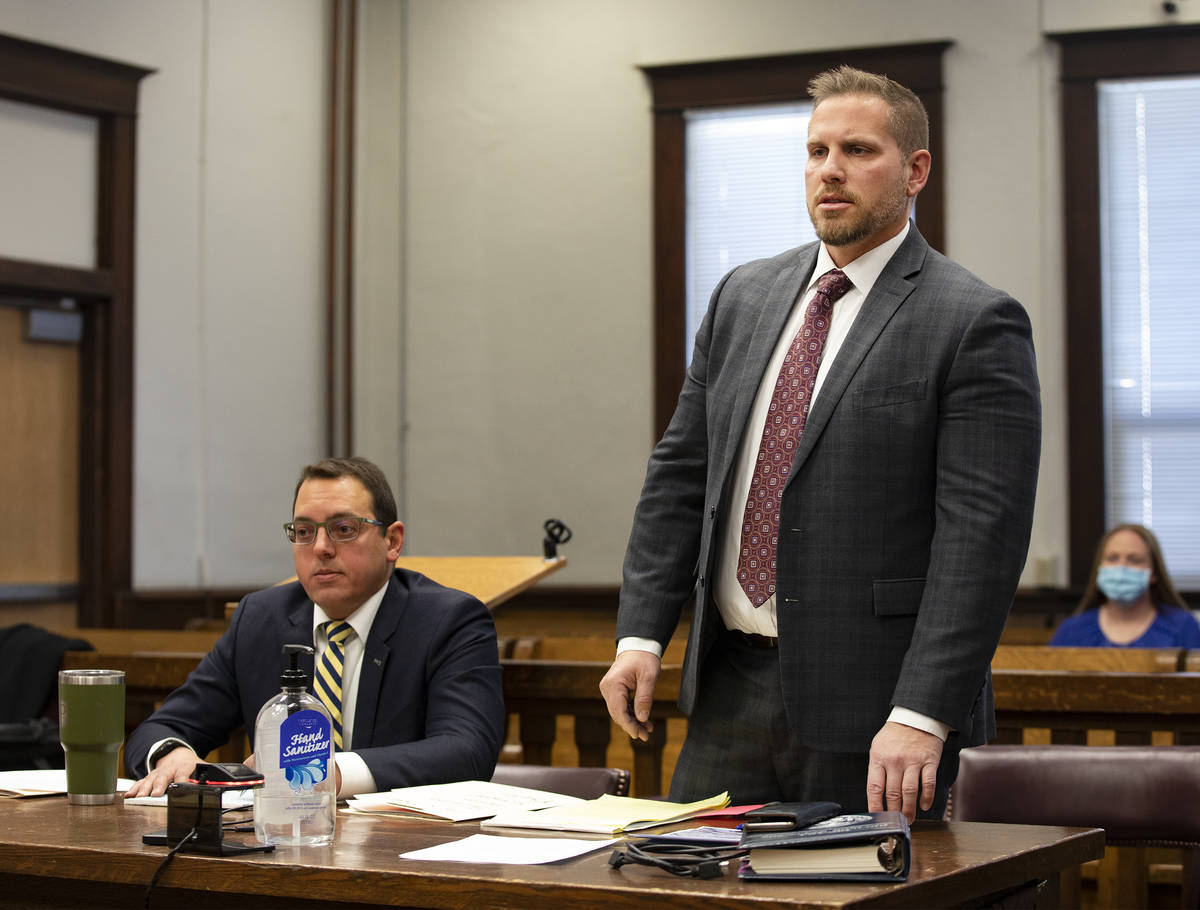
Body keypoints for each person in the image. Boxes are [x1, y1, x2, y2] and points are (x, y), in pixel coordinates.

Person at [599, 65, 1041, 822]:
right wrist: (641, 633)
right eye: (816, 151)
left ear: (915, 170)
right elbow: (681, 475)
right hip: (729, 685)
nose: (830, 170)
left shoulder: (973, 320)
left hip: (880, 710)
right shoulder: (743, 296)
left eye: (859, 150)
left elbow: (981, 541)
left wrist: (923, 712)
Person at [124, 456, 505, 799]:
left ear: (392, 541)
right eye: (304, 532)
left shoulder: (449, 620)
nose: (320, 547)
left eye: (343, 529)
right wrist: (171, 752)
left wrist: (327, 772)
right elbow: (163, 726)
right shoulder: (260, 618)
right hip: (276, 845)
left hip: (401, 848)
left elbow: (466, 750)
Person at [1050, 524, 1200, 647]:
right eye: (1112, 558)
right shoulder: (1072, 631)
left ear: (1154, 573)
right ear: (1099, 568)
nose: (1121, 568)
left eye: (1134, 560)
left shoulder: (1183, 627)